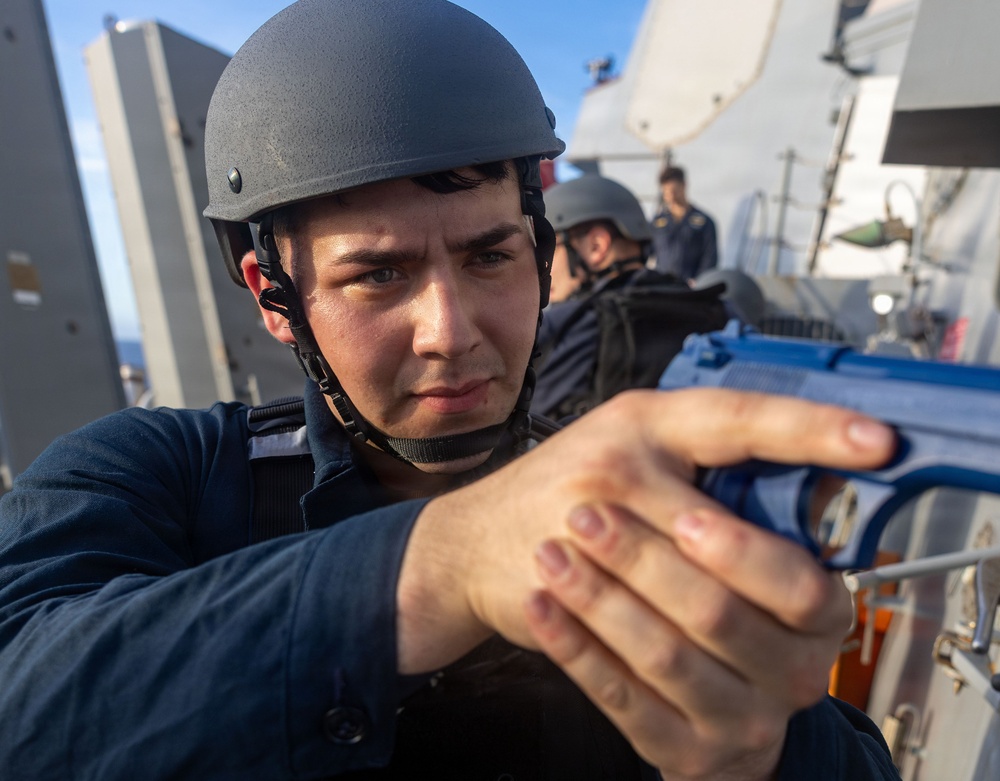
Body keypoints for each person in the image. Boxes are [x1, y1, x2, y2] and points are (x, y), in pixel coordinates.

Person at [0, 2, 900, 779]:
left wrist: (754, 756)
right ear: (276, 299)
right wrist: (452, 560)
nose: (453, 329)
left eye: (489, 255)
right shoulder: (156, 474)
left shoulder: (638, 507)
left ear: (542, 254)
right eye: (380, 276)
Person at [532, 174, 729, 421]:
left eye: (549, 248)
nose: (541, 266)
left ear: (596, 246)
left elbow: (527, 434)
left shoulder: (567, 325)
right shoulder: (718, 308)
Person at [651, 165, 719, 282]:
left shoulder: (704, 222)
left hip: (691, 290)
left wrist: (699, 281)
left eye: (674, 190)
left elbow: (710, 257)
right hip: (662, 288)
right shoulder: (656, 223)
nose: (671, 196)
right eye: (666, 192)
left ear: (684, 185)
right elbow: (646, 251)